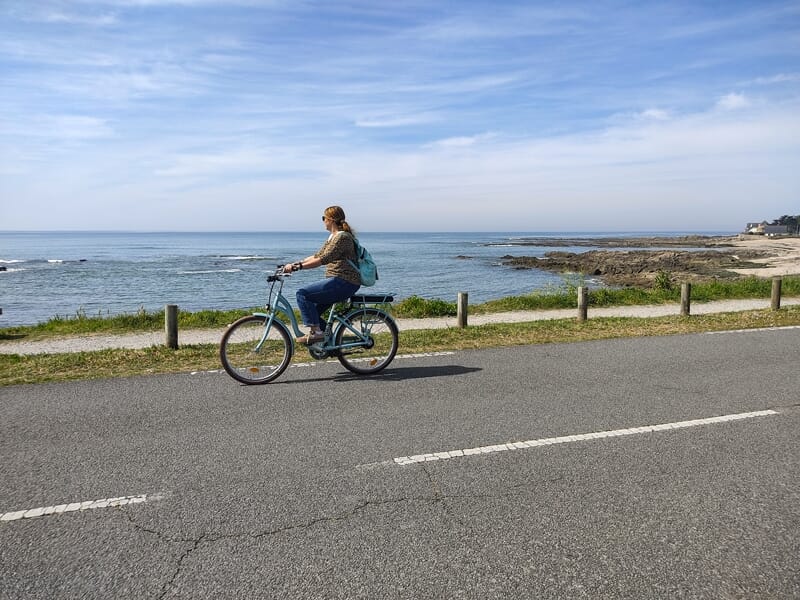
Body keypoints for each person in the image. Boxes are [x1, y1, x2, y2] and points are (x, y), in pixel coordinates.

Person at [284, 205, 361, 344]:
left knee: (302, 294)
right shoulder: (333, 236)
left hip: (345, 282)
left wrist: (299, 268)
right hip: (338, 281)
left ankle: (317, 333)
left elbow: (322, 260)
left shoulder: (342, 238)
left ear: (330, 219)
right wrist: (296, 263)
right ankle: (329, 341)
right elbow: (317, 255)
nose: (323, 221)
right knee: (313, 311)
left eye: (323, 218)